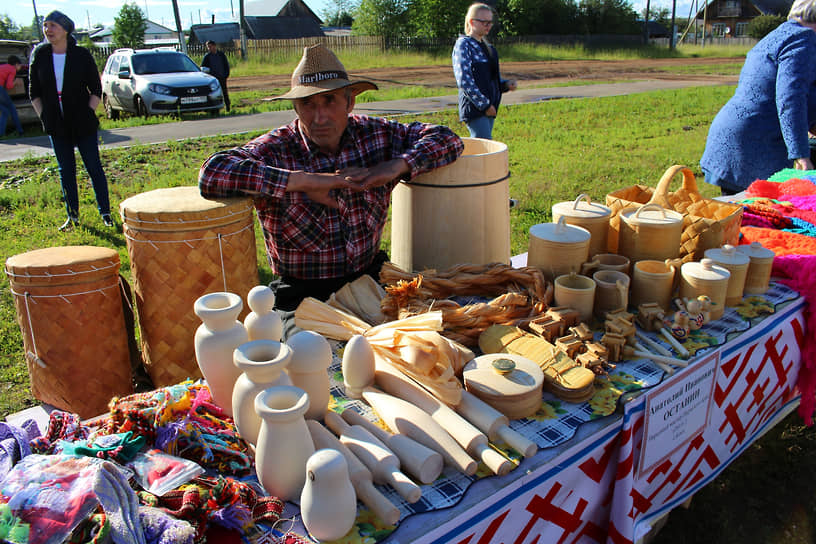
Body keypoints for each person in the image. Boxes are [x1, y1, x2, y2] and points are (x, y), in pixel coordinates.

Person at [199, 44, 464, 327]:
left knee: (424, 339)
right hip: (301, 292)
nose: (319, 117)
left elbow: (448, 139)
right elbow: (212, 174)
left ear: (350, 102)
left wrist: (395, 166)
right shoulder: (278, 149)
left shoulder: (376, 135)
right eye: (307, 104)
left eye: (330, 101)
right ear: (295, 107)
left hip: (370, 277)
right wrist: (301, 181)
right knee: (310, 357)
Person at [701, 0, 816, 195]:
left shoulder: (781, 34)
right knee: (754, 216)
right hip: (754, 146)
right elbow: (790, 99)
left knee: (741, 215)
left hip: (735, 139)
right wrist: (801, 155)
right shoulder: (803, 39)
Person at [29, 10, 113, 230]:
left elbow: (96, 87)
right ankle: (73, 216)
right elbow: (34, 92)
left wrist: (88, 112)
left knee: (94, 167)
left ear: (65, 29)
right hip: (56, 124)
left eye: (53, 26)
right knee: (65, 170)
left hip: (82, 122)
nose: (48, 30)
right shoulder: (40, 55)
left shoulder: (81, 55)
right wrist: (44, 116)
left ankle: (105, 213)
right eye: (46, 26)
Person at [452, 3, 516, 140]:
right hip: (475, 108)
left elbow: (493, 79)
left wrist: (505, 85)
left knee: (483, 148)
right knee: (485, 147)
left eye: (490, 22)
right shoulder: (463, 44)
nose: (488, 25)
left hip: (490, 108)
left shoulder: (489, 49)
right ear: (471, 22)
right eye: (484, 22)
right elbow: (464, 80)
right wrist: (485, 105)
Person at [201, 40, 231, 112]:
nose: (209, 48)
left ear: (214, 46)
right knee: (214, 94)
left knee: (224, 92)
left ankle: (228, 107)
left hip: (222, 77)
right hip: (212, 79)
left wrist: (226, 75)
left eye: (210, 46)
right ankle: (215, 108)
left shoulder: (221, 55)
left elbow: (226, 65)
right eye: (208, 47)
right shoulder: (207, 57)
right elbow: (203, 67)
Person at [0, 55, 25, 138]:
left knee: (5, 111)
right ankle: (20, 131)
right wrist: (16, 82)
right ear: (16, 64)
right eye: (20, 65)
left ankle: (1, 133)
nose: (20, 68)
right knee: (12, 108)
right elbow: (9, 86)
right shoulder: (12, 69)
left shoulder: (3, 66)